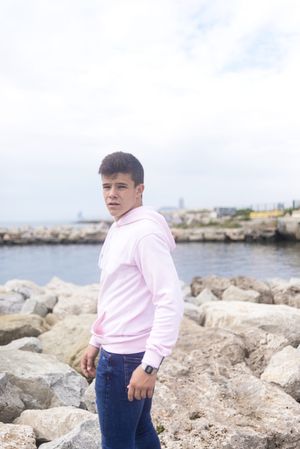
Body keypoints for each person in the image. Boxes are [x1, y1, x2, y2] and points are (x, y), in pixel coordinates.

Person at [81, 151, 183, 449]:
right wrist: (95, 339)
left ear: (139, 190)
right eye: (106, 186)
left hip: (126, 359)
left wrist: (149, 365)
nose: (112, 194)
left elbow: (170, 301)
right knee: (139, 432)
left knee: (115, 443)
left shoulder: (144, 235)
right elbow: (116, 294)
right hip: (120, 350)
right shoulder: (121, 226)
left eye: (121, 186)